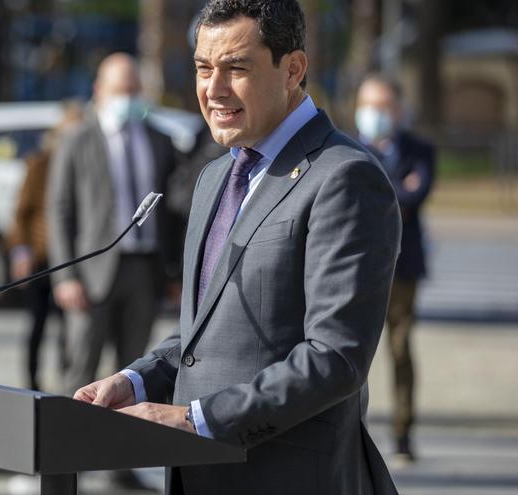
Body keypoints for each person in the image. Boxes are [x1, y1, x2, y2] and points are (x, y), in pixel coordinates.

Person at [73, 1, 402, 494]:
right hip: (199, 475)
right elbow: (206, 335)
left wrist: (197, 419)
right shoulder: (215, 177)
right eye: (204, 68)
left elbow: (334, 357)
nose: (213, 88)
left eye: (236, 68)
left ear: (292, 70)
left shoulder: (344, 177)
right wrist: (136, 380)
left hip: (289, 479)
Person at [47, 53, 183, 396]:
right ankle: (71, 441)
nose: (129, 99)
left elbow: (173, 209)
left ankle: (119, 442)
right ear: (99, 90)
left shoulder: (159, 139)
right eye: (122, 90)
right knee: (81, 367)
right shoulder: (78, 139)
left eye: (135, 90)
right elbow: (59, 209)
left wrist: (174, 272)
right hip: (92, 272)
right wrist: (65, 276)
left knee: (134, 371)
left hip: (144, 268)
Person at [356, 74, 436, 463]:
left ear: (399, 110)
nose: (374, 114)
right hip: (356, 269)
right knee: (352, 353)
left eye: (382, 106)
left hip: (403, 269)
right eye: (368, 105)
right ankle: (354, 432)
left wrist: (380, 193)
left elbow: (415, 195)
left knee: (401, 349)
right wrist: (396, 187)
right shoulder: (347, 148)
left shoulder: (421, 149)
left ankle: (404, 433)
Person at [6, 102, 84, 391]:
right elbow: (22, 212)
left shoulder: (85, 164)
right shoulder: (40, 163)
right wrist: (21, 250)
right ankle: (32, 379)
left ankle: (66, 377)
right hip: (42, 255)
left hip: (74, 258)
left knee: (70, 325)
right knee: (37, 323)